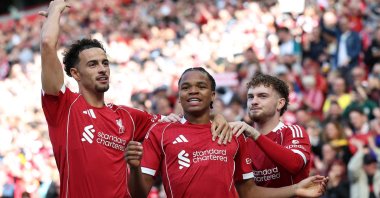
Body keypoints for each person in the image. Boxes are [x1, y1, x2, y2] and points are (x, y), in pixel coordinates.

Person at [39, 1, 230, 197]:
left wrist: (217, 117)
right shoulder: (64, 105)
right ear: (75, 73)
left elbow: (188, 119)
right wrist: (55, 9)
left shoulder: (128, 116)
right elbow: (47, 44)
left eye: (105, 63)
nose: (103, 69)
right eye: (93, 65)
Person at [125, 67, 328, 198]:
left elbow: (248, 190)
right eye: (186, 87)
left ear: (212, 95)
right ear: (178, 96)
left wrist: (295, 190)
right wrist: (133, 169)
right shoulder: (161, 132)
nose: (193, 91)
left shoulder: (238, 134)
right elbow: (137, 193)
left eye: (201, 86)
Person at [230, 73, 311, 187]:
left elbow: (295, 164)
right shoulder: (241, 140)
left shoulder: (292, 131)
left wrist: (255, 134)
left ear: (280, 103)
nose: (254, 101)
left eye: (262, 96)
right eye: (250, 97)